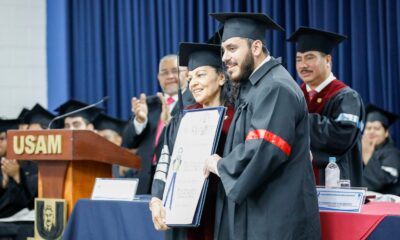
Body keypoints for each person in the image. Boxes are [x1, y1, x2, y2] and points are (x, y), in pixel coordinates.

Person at [204, 13, 321, 239]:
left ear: (256, 47)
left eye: (232, 48)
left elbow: (265, 150)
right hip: (261, 212)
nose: (225, 57)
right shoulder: (257, 87)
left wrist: (220, 164)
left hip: (277, 220)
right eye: (223, 51)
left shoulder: (276, 87)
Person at [150, 42, 234, 240]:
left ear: (221, 77)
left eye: (201, 75)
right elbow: (166, 159)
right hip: (183, 212)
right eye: (189, 78)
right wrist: (156, 200)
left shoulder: (237, 118)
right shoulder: (184, 117)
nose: (193, 83)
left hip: (222, 212)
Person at [288, 26, 365, 187]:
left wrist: (297, 119)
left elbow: (341, 137)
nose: (303, 65)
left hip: (336, 185)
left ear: (328, 60)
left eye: (309, 57)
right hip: (297, 186)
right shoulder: (293, 95)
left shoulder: (346, 97)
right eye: (298, 59)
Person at [122, 54, 195, 194]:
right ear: (158, 77)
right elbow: (128, 143)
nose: (169, 76)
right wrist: (139, 121)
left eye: (175, 71)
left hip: (176, 178)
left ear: (187, 74)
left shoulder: (195, 103)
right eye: (164, 72)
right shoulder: (148, 104)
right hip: (145, 179)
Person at [362, 104, 400, 195]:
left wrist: (368, 157)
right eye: (368, 128)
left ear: (386, 133)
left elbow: (380, 183)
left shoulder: (392, 154)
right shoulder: (358, 152)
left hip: (387, 205)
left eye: (377, 128)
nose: (371, 131)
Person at [93, 113, 130, 177]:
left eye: (106, 138)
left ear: (119, 140)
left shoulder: (127, 164)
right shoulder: (97, 165)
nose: (101, 142)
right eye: (98, 139)